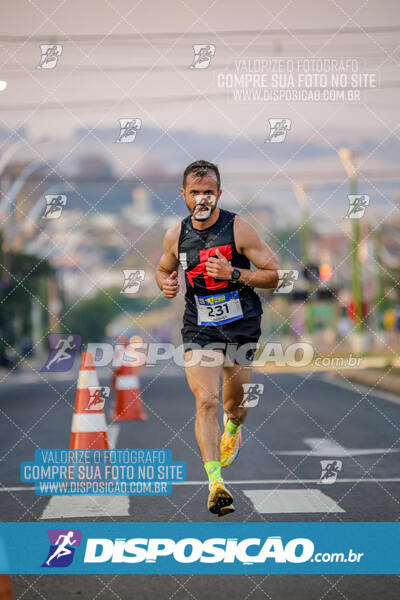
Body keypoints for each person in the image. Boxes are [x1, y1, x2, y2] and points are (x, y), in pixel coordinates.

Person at [155, 160, 279, 516]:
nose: (202, 198)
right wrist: (164, 283)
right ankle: (215, 484)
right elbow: (164, 269)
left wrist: (234, 273)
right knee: (206, 401)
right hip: (199, 327)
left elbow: (274, 275)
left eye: (208, 191)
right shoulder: (175, 236)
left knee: (234, 405)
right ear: (183, 195)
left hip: (242, 325)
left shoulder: (240, 229)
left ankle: (234, 427)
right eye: (194, 192)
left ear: (219, 194)